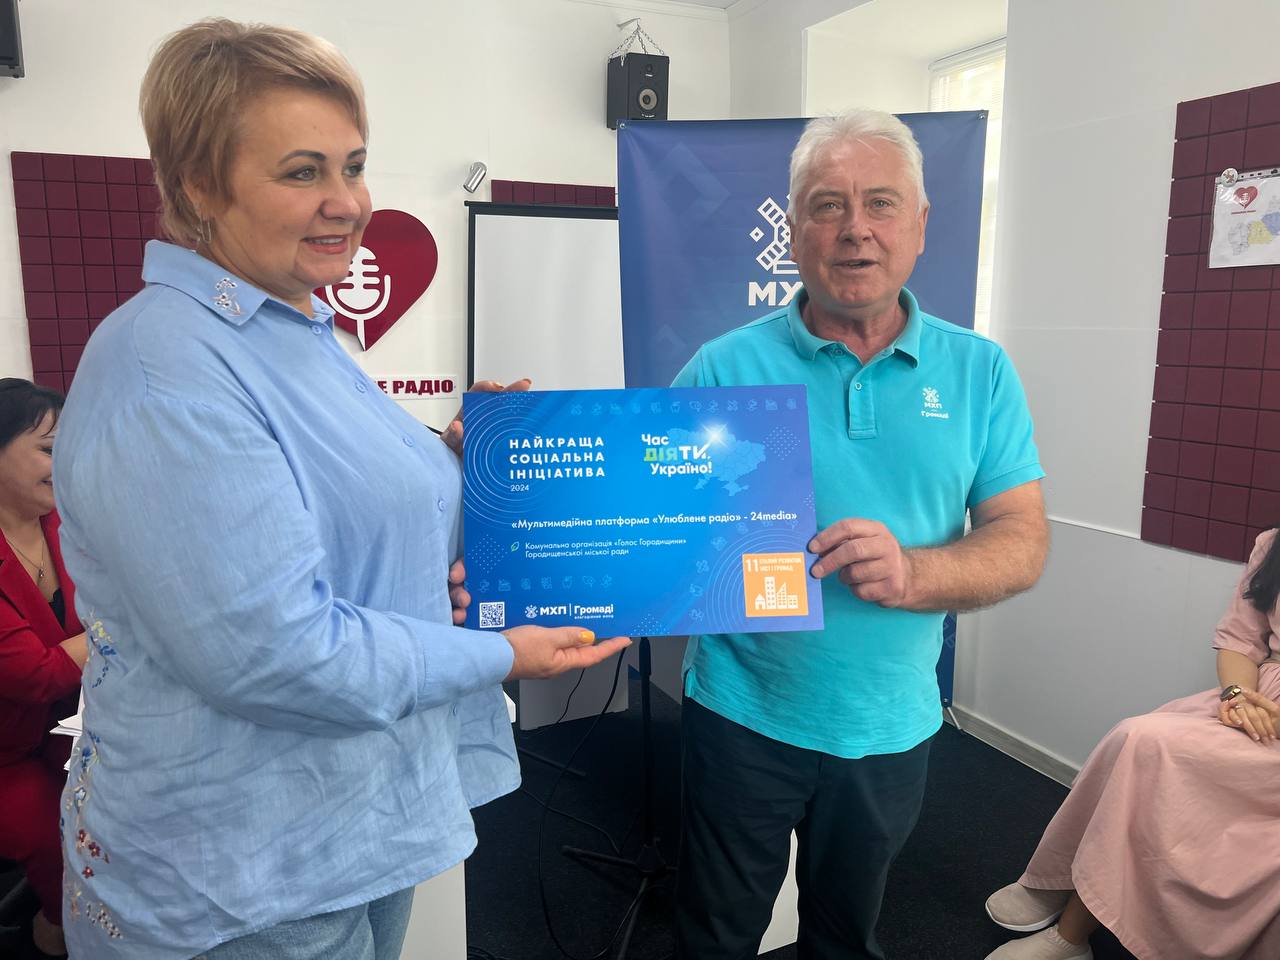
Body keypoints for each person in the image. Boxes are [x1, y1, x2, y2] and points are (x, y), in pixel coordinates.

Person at [51, 19, 628, 960]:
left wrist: (466, 464)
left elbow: (338, 504)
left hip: (356, 822)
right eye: (302, 172)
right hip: (242, 879)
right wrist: (498, 655)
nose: (347, 203)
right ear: (198, 186)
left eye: (354, 166)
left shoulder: (291, 325)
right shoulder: (165, 371)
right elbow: (277, 655)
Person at [669, 108, 1049, 960]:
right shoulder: (723, 366)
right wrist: (507, 453)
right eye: (827, 205)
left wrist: (914, 573)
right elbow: (640, 513)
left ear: (920, 225)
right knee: (714, 935)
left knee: (846, 937)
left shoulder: (980, 371)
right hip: (741, 712)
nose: (855, 229)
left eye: (880, 203)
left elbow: (1022, 539)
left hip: (889, 723)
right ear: (792, 229)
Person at [983, 527, 1280, 960]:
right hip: (1256, 698)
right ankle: (1060, 879)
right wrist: (1237, 696)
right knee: (1133, 735)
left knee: (1152, 748)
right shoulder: (1272, 543)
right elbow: (1240, 640)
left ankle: (1069, 933)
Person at [0, 379, 86, 959]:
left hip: (59, 726)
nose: (67, 462)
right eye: (50, 450)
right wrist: (117, 628)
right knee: (55, 841)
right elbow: (35, 673)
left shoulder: (63, 526)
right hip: (5, 752)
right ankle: (54, 934)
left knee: (119, 806)